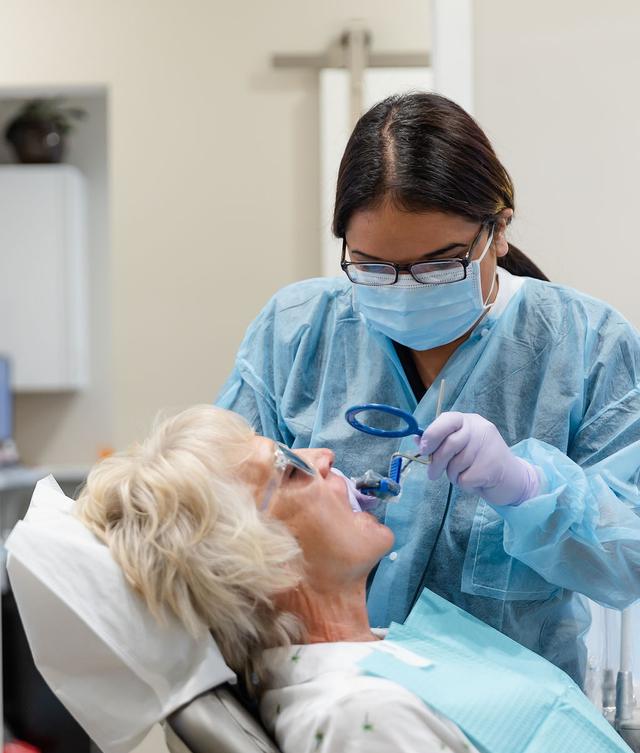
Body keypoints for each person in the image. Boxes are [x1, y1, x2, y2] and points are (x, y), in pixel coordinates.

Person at [217, 92, 640, 686]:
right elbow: (216, 513)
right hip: (329, 695)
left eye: (439, 266)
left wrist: (527, 490)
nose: (403, 288)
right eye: (371, 267)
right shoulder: (298, 330)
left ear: (497, 231)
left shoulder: (587, 346)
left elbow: (629, 556)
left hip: (506, 716)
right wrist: (298, 516)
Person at [75, 405, 629, 753]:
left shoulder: (383, 657)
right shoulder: (358, 719)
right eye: (290, 468)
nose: (324, 454)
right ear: (253, 560)